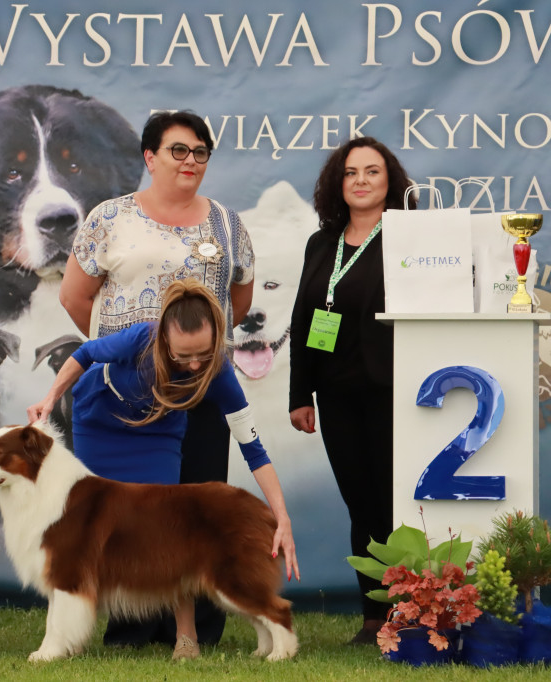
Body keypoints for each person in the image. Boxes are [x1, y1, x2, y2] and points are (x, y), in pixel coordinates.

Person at [58, 110, 254, 647]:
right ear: (150, 157)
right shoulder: (108, 218)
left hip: (201, 390)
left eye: (201, 152)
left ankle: (198, 628)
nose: (191, 161)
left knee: (196, 507)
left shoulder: (228, 224)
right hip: (127, 397)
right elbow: (75, 297)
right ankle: (134, 624)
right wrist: (132, 357)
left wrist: (190, 357)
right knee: (132, 511)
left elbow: (237, 302)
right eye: (178, 150)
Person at [29, 279, 299, 661]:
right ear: (164, 341)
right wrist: (50, 397)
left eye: (201, 355)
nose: (193, 365)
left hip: (159, 427)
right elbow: (86, 353)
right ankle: (83, 628)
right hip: (100, 418)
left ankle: (185, 636)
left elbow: (254, 450)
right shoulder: (140, 338)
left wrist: (282, 517)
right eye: (182, 356)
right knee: (89, 526)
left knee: (169, 533)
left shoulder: (219, 370)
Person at [288, 136, 416, 645]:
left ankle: (410, 610)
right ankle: (372, 616)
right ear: (336, 183)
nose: (361, 180)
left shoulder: (412, 238)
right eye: (350, 172)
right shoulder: (322, 243)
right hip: (335, 396)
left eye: (372, 171)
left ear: (391, 181)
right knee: (359, 506)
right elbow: (302, 320)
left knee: (392, 505)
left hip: (396, 391)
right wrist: (300, 393)